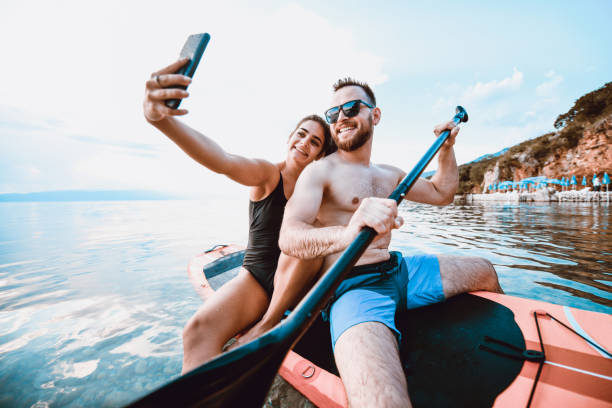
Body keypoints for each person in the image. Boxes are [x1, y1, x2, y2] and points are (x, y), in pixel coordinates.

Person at [278, 78, 503, 407]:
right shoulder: (319, 172)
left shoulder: (389, 174)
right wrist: (348, 232)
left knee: (483, 269)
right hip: (352, 289)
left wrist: (446, 150)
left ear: (375, 115)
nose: (341, 117)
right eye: (333, 112)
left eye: (352, 107)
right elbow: (289, 237)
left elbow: (443, 194)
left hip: (399, 271)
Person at [143, 58, 336, 374]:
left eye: (314, 142)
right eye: (301, 134)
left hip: (299, 282)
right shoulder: (267, 174)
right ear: (290, 136)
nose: (304, 144)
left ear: (320, 153)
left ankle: (268, 326)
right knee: (196, 332)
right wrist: (162, 121)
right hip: (259, 280)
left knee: (308, 241)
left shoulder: (321, 189)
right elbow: (223, 161)